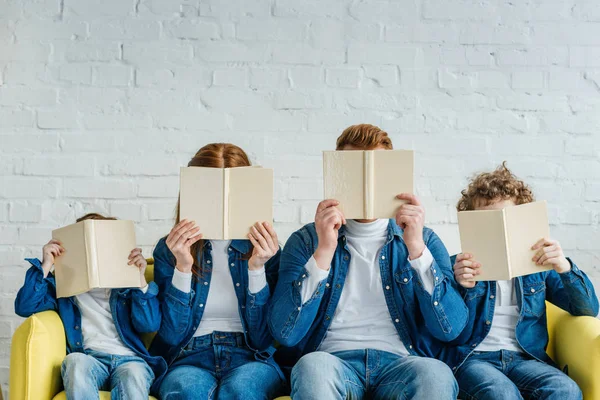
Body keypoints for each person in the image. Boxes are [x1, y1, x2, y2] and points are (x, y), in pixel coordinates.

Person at [269, 124, 467, 400]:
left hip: (401, 362)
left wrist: (417, 249)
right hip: (331, 362)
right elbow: (285, 333)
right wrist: (324, 250)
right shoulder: (304, 241)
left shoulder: (425, 239)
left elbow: (450, 329)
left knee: (435, 373)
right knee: (312, 366)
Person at [448, 162, 599, 400]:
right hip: (474, 360)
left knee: (566, 389)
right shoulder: (457, 266)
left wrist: (564, 266)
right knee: (500, 393)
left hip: (527, 358)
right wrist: (462, 289)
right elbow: (446, 333)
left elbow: (588, 309)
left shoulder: (538, 267)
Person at [150, 143, 285, 400]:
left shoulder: (269, 250)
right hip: (188, 356)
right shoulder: (169, 248)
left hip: (250, 355)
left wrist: (257, 268)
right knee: (187, 392)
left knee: (241, 392)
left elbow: (263, 338)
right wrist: (183, 266)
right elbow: (170, 334)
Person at [14, 213, 165, 400]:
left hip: (130, 360)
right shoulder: (64, 289)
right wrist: (47, 264)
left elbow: (150, 325)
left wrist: (139, 279)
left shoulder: (126, 286)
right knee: (75, 361)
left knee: (133, 376)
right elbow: (24, 306)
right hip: (90, 358)